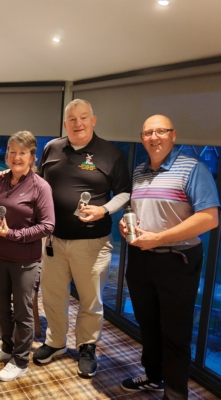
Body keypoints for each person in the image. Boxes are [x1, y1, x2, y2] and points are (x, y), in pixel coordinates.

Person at [119, 115, 219, 399]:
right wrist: (126, 224)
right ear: (142, 139)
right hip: (141, 260)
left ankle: (175, 394)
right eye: (148, 133)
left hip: (177, 261)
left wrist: (159, 238)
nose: (154, 137)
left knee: (175, 333)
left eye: (160, 131)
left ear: (173, 135)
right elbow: (139, 211)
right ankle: (153, 376)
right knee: (148, 324)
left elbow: (209, 218)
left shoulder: (193, 169)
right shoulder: (139, 172)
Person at [34, 99, 131, 378]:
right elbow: (38, 181)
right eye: (72, 119)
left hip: (92, 243)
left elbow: (124, 192)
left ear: (93, 120)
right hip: (53, 240)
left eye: (84, 117)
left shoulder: (111, 153)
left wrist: (104, 209)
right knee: (53, 296)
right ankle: (55, 342)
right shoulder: (52, 148)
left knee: (91, 300)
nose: (78, 123)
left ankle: (87, 347)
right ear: (65, 124)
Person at [0, 131, 55, 381]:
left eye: (22, 152)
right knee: (0, 307)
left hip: (26, 261)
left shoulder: (40, 186)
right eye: (12, 151)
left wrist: (12, 234)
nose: (16, 157)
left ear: (32, 156)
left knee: (23, 313)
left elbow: (48, 226)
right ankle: (7, 347)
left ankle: (20, 360)